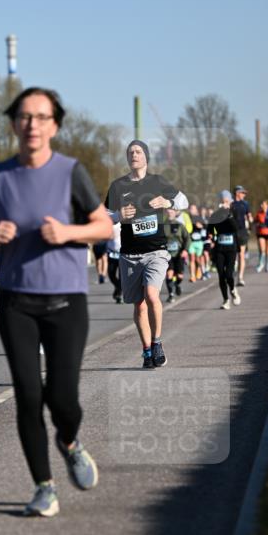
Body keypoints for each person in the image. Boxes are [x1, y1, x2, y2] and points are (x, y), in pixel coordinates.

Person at [0, 87, 113, 518]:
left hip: (66, 301)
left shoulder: (72, 172)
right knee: (28, 396)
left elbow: (104, 227)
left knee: (63, 399)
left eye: (41, 116)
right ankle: (43, 486)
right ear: (14, 123)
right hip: (16, 302)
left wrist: (68, 234)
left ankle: (69, 441)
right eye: (24, 116)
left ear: (54, 124)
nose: (32, 123)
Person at [105, 140, 188, 369]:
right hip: (129, 254)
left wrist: (167, 201)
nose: (134, 154)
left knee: (152, 296)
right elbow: (104, 216)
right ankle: (147, 350)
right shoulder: (118, 186)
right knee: (139, 305)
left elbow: (184, 201)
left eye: (138, 151)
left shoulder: (157, 181)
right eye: (130, 152)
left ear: (146, 157)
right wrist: (118, 215)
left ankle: (158, 342)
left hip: (156, 251)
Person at [208, 191, 241, 309]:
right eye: (222, 201)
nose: (224, 203)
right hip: (219, 249)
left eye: (226, 201)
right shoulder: (215, 215)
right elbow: (210, 229)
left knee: (229, 274)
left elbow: (236, 228)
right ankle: (226, 300)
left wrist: (228, 214)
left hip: (231, 249)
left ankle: (233, 290)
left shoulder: (234, 213)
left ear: (230, 202)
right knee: (221, 275)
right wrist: (210, 236)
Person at [163, 207, 190, 303]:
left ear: (175, 213)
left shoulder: (180, 225)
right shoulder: (162, 225)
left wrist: (185, 250)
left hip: (179, 253)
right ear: (166, 212)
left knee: (180, 276)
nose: (170, 212)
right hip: (167, 254)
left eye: (172, 211)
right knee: (169, 273)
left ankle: (176, 285)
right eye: (168, 210)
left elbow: (187, 238)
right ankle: (171, 294)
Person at [230, 186, 252, 286]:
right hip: (232, 232)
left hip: (242, 231)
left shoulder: (246, 204)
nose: (244, 195)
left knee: (241, 254)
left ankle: (240, 278)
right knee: (233, 254)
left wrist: (250, 220)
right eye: (242, 193)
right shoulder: (231, 203)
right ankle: (233, 268)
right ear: (237, 193)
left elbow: (249, 215)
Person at [106, 220, 123, 303]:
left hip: (122, 253)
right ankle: (118, 288)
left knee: (121, 276)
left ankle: (119, 295)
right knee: (111, 274)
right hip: (111, 253)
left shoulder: (122, 223)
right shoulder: (107, 222)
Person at [254, 200, 268, 273]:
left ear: (267, 205)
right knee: (262, 249)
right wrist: (257, 225)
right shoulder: (259, 213)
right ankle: (261, 264)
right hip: (261, 233)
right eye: (261, 204)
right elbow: (254, 222)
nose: (262, 206)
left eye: (263, 204)